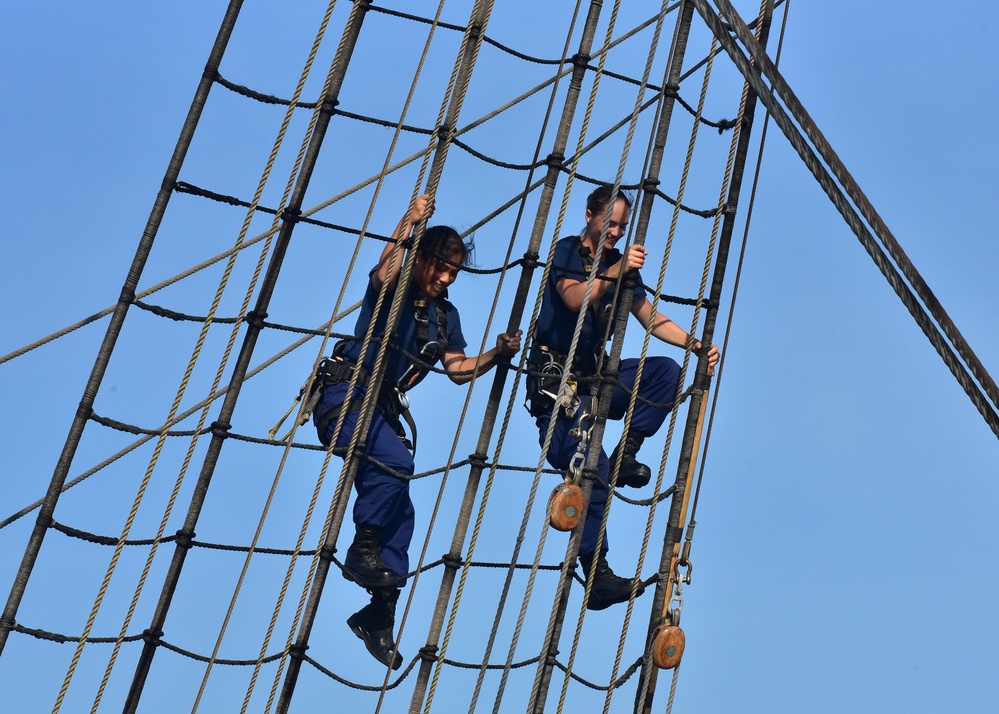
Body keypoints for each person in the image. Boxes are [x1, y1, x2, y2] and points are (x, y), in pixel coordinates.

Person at [313, 194, 522, 668]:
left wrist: (497, 354)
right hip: (346, 396)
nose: (447, 279)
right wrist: (407, 225)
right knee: (397, 463)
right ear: (424, 259)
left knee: (401, 506)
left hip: (379, 411)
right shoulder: (398, 285)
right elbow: (384, 271)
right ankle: (362, 549)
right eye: (441, 268)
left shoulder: (445, 317)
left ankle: (378, 612)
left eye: (454, 273)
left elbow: (459, 370)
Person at [527, 185, 719, 611]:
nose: (614, 232)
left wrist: (694, 344)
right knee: (590, 469)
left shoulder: (618, 265)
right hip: (557, 385)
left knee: (665, 372)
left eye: (621, 226)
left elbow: (648, 316)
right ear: (590, 215)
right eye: (608, 223)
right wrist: (615, 272)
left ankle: (629, 449)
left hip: (596, 378)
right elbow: (575, 298)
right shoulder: (567, 251)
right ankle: (596, 577)